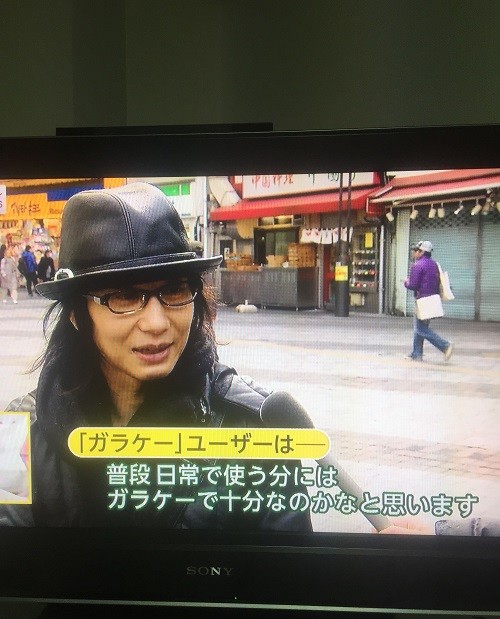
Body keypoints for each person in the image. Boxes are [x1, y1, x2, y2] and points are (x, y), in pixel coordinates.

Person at [0, 183, 313, 530]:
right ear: (75, 314)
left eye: (174, 290)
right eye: (124, 296)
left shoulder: (253, 428)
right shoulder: (20, 430)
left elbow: (285, 563)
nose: (157, 323)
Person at [404, 240, 453, 362]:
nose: (414, 253)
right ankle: (416, 353)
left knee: (420, 329)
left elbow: (413, 285)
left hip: (423, 300)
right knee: (420, 326)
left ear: (421, 252)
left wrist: (406, 282)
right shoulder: (434, 264)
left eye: (416, 250)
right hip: (433, 299)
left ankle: (445, 346)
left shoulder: (418, 265)